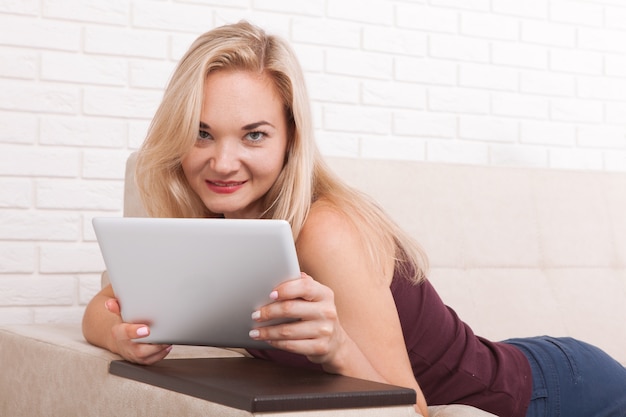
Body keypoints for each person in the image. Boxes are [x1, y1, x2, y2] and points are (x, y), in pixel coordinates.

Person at [82, 21, 626, 417]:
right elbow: (101, 307)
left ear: (291, 139)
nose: (223, 162)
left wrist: (335, 344)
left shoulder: (324, 230)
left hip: (557, 391)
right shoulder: (200, 221)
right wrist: (122, 336)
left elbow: (410, 408)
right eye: (202, 133)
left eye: (254, 134)